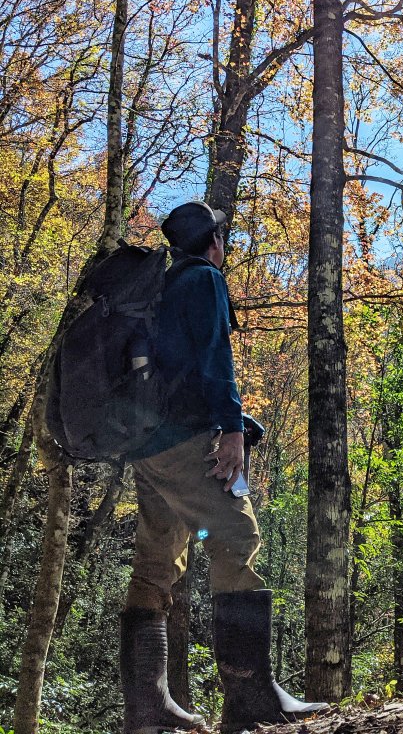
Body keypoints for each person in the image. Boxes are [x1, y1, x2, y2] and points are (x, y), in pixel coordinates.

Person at [120, 200, 327, 734]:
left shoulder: (158, 288)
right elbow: (215, 359)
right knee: (237, 535)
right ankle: (250, 699)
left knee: (155, 562)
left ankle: (147, 711)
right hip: (190, 441)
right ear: (213, 242)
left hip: (145, 447)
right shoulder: (205, 280)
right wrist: (231, 428)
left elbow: (173, 367)